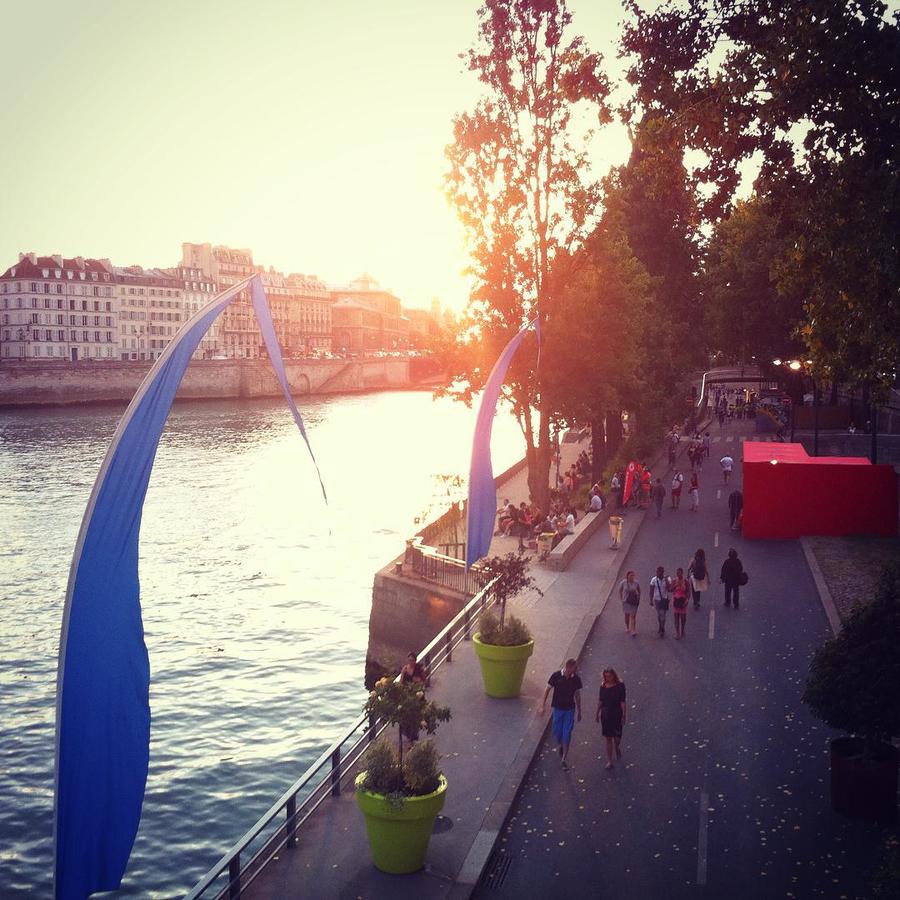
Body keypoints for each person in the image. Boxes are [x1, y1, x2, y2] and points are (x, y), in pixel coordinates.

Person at [540, 658, 583, 768]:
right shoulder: (556, 676)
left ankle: (564, 758)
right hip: (558, 709)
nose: (576, 670)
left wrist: (579, 710)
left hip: (569, 709)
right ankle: (561, 744)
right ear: (568, 667)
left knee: (567, 733)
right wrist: (542, 705)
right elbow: (547, 689)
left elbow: (577, 695)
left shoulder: (576, 679)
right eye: (574, 668)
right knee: (557, 731)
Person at [596, 668, 626, 770]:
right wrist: (597, 713)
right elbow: (600, 700)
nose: (608, 678)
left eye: (609, 676)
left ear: (614, 675)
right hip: (606, 715)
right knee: (608, 738)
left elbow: (622, 701)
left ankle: (617, 747)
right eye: (606, 676)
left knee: (617, 737)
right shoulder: (603, 686)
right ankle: (609, 761)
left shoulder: (620, 686)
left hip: (617, 714)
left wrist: (624, 715)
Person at [400, 652, 428, 743]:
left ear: (415, 660)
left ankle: (413, 737)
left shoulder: (419, 669)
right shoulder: (405, 669)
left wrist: (419, 682)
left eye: (412, 660)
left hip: (417, 696)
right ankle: (409, 735)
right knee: (406, 717)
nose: (410, 662)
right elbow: (401, 682)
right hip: (407, 696)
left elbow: (424, 681)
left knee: (415, 716)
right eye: (409, 660)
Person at [619, 570, 641, 636]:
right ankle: (627, 627)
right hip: (626, 601)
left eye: (633, 575)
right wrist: (622, 599)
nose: (632, 577)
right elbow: (620, 590)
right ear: (627, 576)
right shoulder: (623, 582)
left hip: (634, 601)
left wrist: (638, 597)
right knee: (627, 615)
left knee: (633, 616)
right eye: (631, 575)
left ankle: (633, 630)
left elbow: (639, 590)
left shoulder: (636, 583)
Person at [650, 566, 670, 636]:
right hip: (657, 600)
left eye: (660, 572)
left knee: (663, 615)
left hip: (664, 599)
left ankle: (662, 628)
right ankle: (660, 626)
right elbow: (651, 590)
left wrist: (667, 581)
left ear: (662, 572)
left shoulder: (667, 579)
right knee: (659, 615)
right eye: (657, 572)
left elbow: (669, 589)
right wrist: (651, 600)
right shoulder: (654, 580)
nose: (658, 573)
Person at [671, 567, 690, 638]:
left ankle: (683, 629)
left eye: (679, 573)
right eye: (677, 573)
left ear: (682, 573)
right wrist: (676, 585)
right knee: (676, 617)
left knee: (683, 618)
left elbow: (688, 591)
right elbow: (670, 589)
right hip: (676, 600)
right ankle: (677, 633)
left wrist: (687, 600)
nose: (678, 574)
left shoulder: (686, 581)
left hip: (683, 601)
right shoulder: (674, 580)